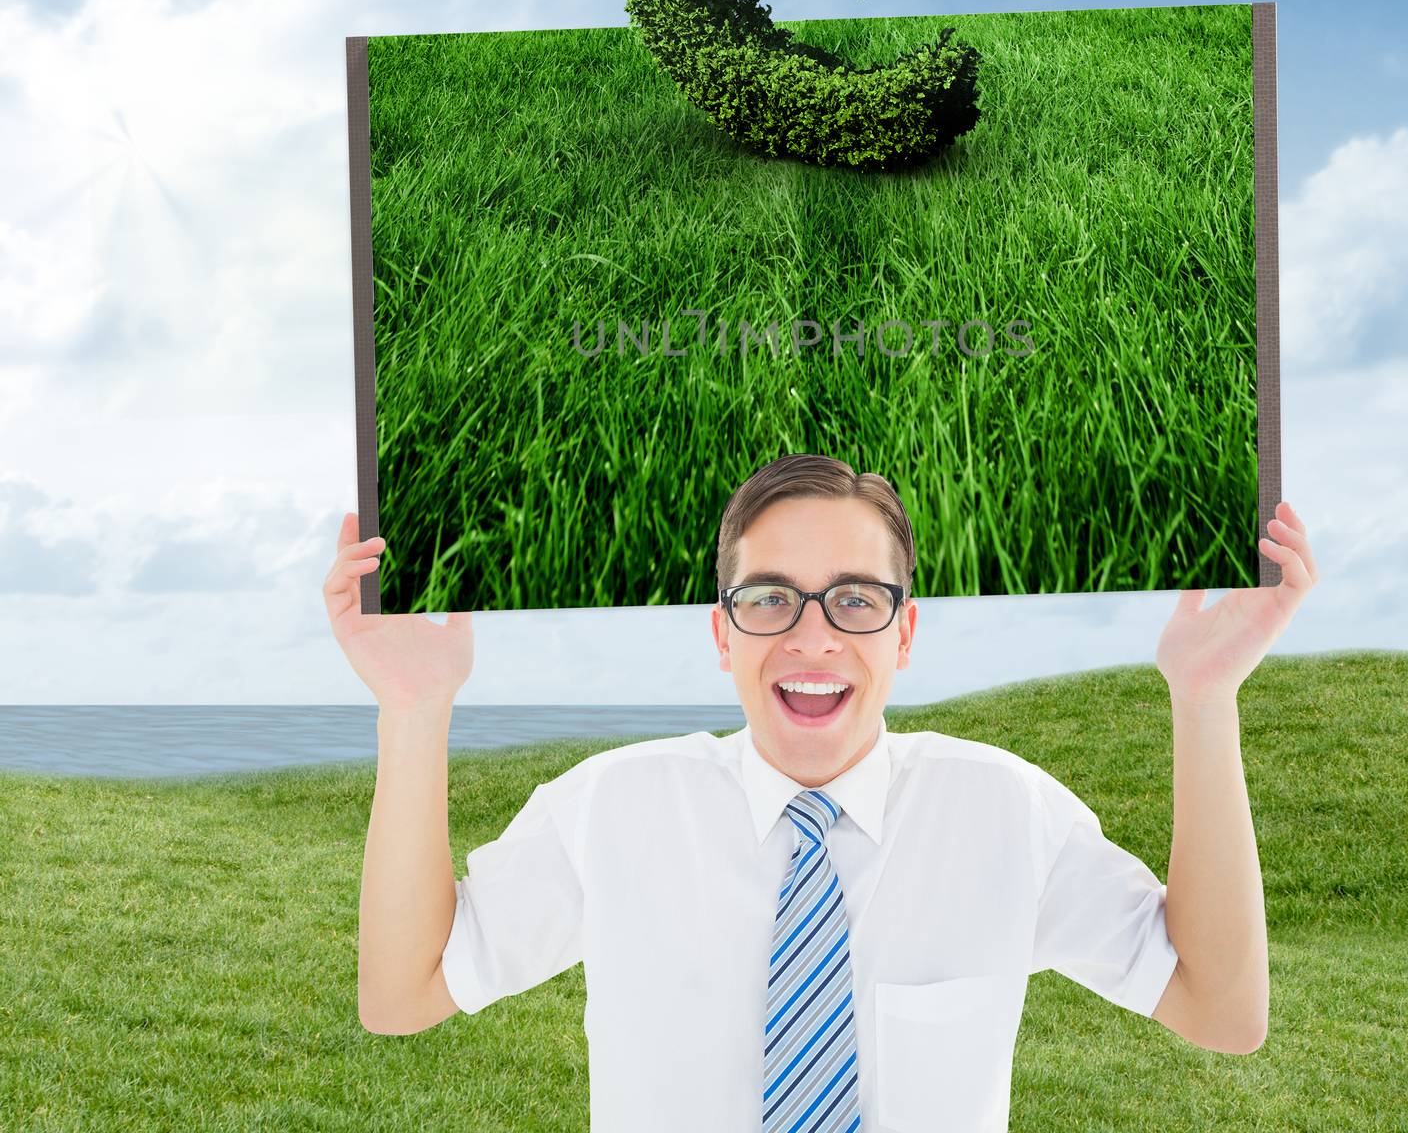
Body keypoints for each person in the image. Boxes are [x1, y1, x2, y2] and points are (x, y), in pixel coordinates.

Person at [329, 453, 1318, 1132]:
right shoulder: (613, 807)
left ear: (905, 632)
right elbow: (403, 990)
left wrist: (1204, 693)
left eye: (855, 597)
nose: (812, 637)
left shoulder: (1003, 812)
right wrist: (414, 709)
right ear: (722, 634)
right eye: (768, 599)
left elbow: (1220, 1007)